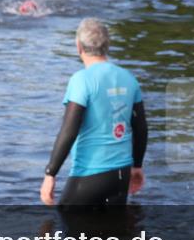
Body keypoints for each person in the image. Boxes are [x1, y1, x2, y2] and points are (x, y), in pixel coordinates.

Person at [41, 18, 148, 206]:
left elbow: (69, 130)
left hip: (89, 175)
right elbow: (141, 127)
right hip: (121, 175)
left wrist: (51, 173)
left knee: (64, 227)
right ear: (107, 45)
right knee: (112, 232)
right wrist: (137, 166)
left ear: (78, 46)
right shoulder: (129, 78)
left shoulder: (81, 80)